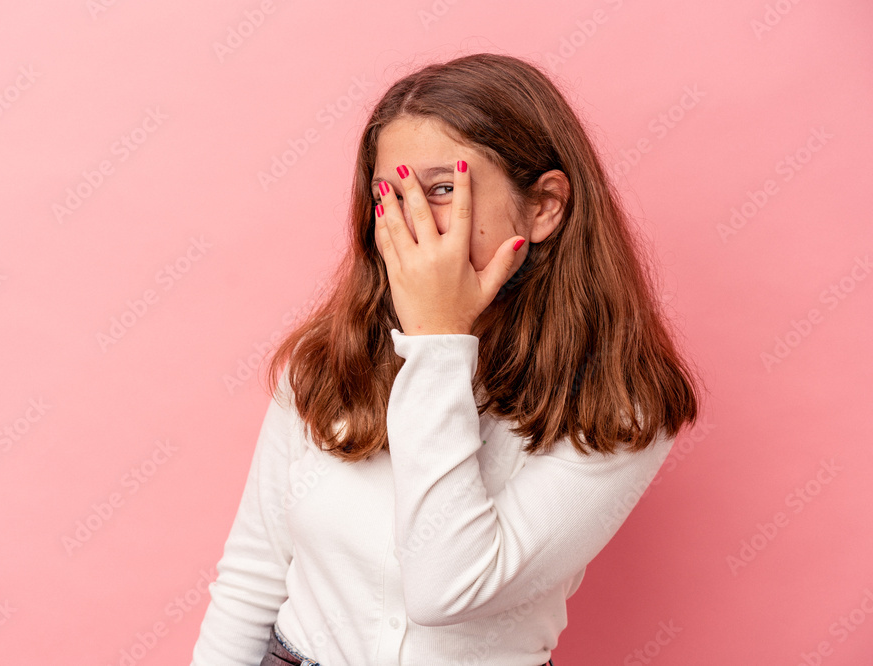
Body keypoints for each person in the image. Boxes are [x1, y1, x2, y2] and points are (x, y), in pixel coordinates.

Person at [190, 52, 701, 666]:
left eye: (440, 190)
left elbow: (446, 587)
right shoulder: (327, 360)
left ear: (543, 206)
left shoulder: (622, 409)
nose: (413, 223)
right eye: (391, 194)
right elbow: (251, 578)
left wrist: (436, 341)